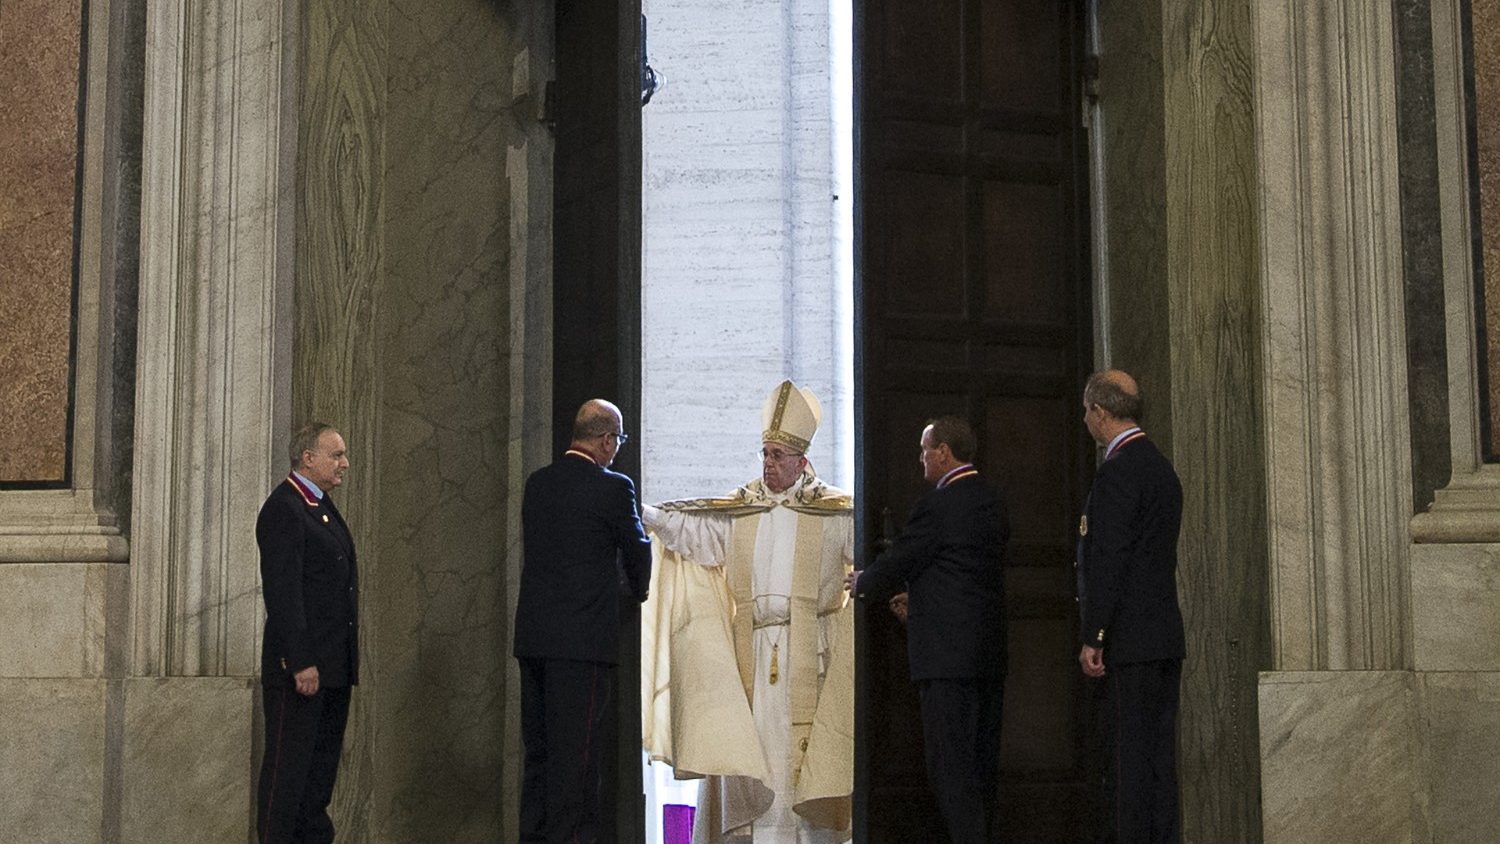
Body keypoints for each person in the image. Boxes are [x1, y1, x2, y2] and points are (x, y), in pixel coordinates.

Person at [641, 380, 854, 844]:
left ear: (802, 460)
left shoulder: (835, 513)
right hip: (753, 653)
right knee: (751, 751)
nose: (769, 464)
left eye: (779, 455)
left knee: (804, 762)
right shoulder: (742, 510)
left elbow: (868, 561)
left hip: (810, 650)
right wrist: (649, 515)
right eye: (765, 454)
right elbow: (695, 534)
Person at [847, 416, 1008, 844]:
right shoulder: (992, 501)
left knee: (950, 769)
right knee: (980, 766)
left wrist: (863, 582)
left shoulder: (937, 505)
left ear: (943, 452)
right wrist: (922, 602)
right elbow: (964, 575)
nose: (921, 458)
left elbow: (904, 559)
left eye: (924, 450)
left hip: (946, 661)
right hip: (988, 657)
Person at [513, 399, 653, 843]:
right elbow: (637, 551)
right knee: (577, 760)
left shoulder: (538, 484)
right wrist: (639, 590)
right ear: (607, 440)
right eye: (618, 441)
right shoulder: (613, 488)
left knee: (539, 758)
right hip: (582, 646)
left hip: (534, 641)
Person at [1075, 370, 1185, 843]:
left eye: (1086, 411)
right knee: (1159, 764)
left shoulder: (1119, 471)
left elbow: (1111, 558)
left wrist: (1095, 635)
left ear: (1100, 412)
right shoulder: (1161, 467)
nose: (1085, 420)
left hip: (1128, 643)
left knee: (1127, 767)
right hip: (1162, 638)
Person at [255, 422, 358, 844]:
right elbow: (283, 591)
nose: (345, 463)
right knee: (287, 778)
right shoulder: (284, 508)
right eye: (336, 455)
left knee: (317, 781)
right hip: (301, 670)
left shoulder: (321, 505)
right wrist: (300, 660)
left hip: (332, 667)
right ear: (307, 458)